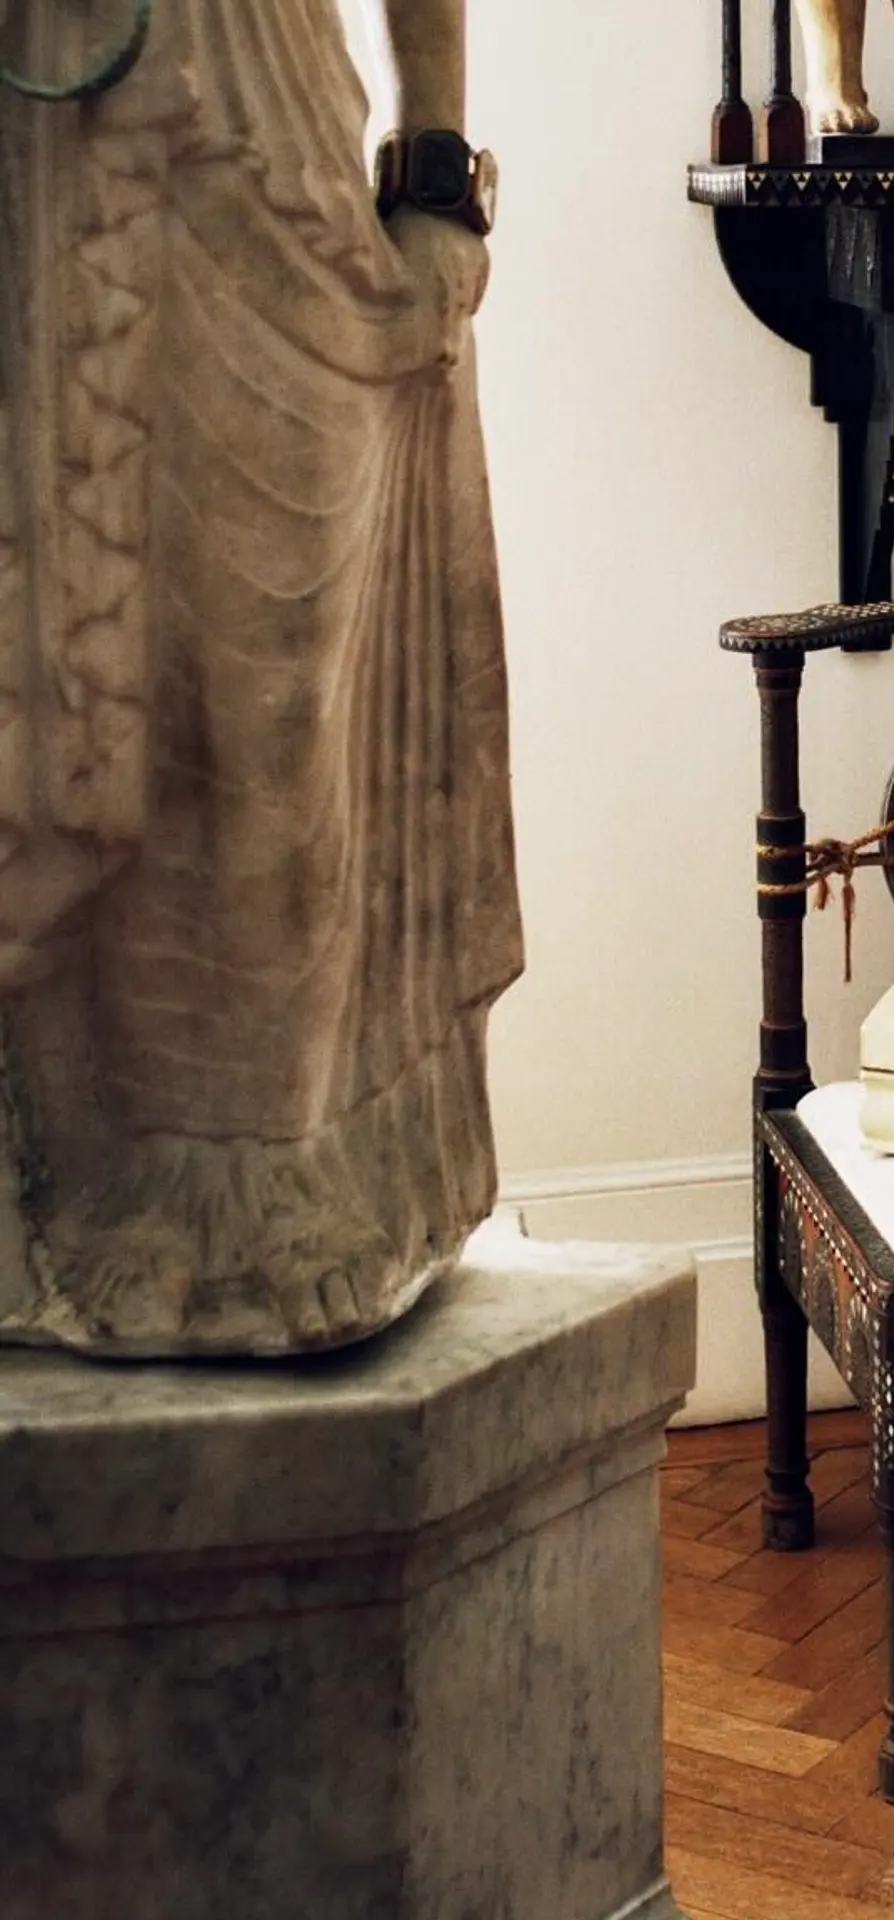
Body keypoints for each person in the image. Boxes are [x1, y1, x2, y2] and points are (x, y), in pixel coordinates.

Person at [0, 0, 521, 1352]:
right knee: (53, 690)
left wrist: (436, 172)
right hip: (30, 152)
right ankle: (88, 1184)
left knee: (275, 709)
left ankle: (272, 1161)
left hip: (259, 150)